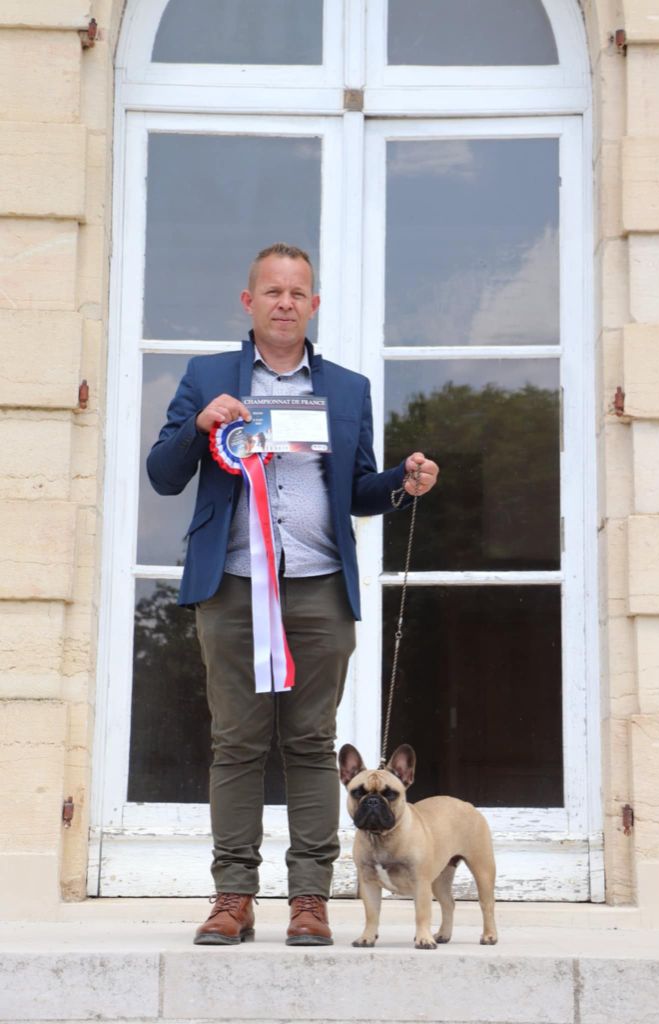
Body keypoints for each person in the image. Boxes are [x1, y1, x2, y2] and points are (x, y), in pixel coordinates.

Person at [147, 243, 439, 946]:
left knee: (311, 745)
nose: (285, 303)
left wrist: (403, 482)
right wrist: (199, 426)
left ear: (314, 305)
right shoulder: (207, 377)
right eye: (272, 291)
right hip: (232, 586)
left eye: (297, 293)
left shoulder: (348, 388)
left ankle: (310, 898)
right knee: (236, 744)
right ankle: (233, 897)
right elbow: (162, 474)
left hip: (319, 587)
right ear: (249, 302)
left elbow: (360, 489)